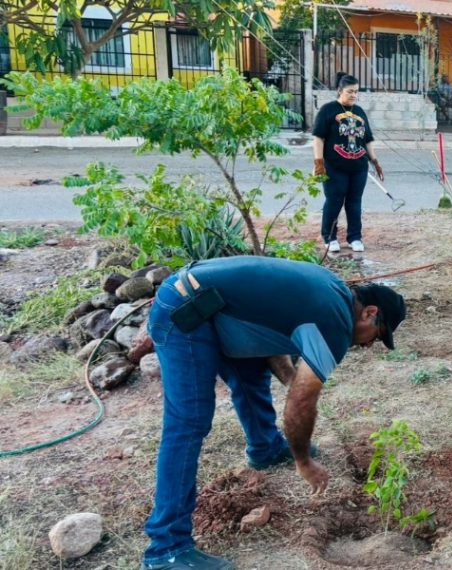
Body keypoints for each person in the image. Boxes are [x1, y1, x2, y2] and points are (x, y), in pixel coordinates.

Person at [140, 256, 406, 570]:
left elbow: (273, 328)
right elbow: (300, 404)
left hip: (214, 306)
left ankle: (266, 449)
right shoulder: (336, 322)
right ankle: (167, 548)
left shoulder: (333, 291)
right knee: (189, 421)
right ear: (370, 313)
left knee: (251, 374)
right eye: (378, 335)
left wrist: (294, 382)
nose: (370, 345)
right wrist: (303, 461)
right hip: (187, 310)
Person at [313, 73, 385, 253]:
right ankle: (329, 237)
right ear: (340, 91)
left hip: (359, 167)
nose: (354, 95)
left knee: (355, 202)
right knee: (334, 201)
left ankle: (355, 237)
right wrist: (319, 162)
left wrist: (375, 162)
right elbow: (318, 138)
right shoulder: (328, 110)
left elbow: (367, 139)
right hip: (335, 167)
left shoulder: (359, 112)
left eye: (356, 92)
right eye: (350, 91)